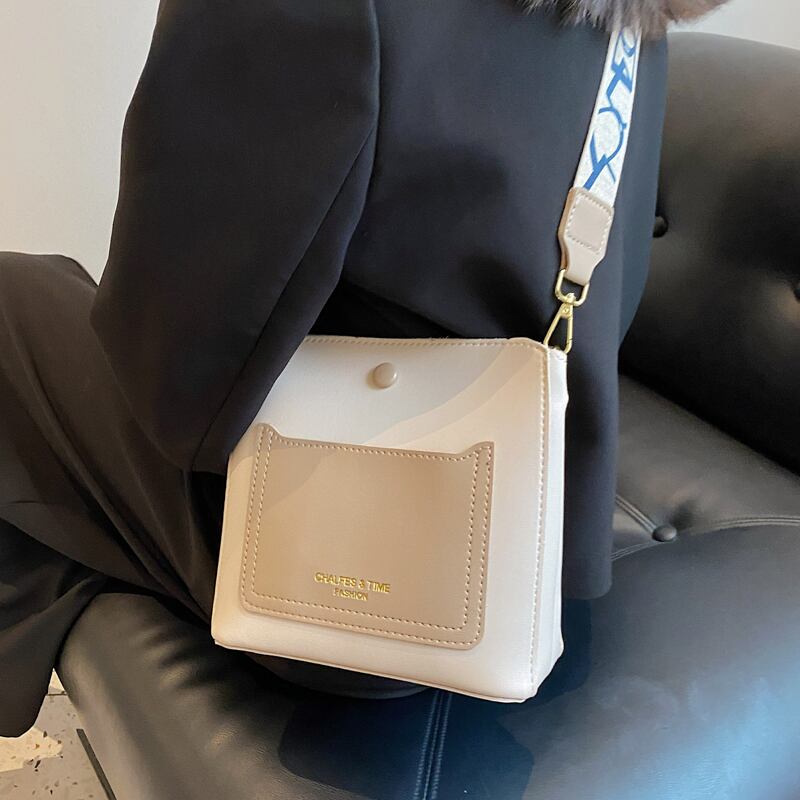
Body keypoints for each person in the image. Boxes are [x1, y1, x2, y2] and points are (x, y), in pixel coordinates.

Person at [0, 0, 726, 737]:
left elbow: (178, 383)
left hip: (336, 583)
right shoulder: (628, 24)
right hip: (526, 560)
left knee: (13, 302)